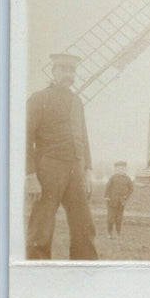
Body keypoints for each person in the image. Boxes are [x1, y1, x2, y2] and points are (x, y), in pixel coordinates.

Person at [25, 53, 98, 260]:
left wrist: (88, 169)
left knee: (84, 226)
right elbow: (24, 138)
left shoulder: (77, 101)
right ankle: (38, 273)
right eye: (63, 70)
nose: (69, 75)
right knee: (41, 228)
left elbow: (83, 136)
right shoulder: (38, 98)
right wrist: (30, 176)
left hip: (76, 170)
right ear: (53, 71)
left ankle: (85, 273)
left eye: (72, 70)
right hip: (49, 170)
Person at [105, 161, 134, 239]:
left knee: (119, 219)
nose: (121, 170)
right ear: (115, 169)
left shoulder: (128, 179)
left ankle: (118, 233)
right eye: (119, 169)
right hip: (111, 201)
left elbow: (131, 189)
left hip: (121, 202)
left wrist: (126, 197)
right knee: (110, 218)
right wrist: (107, 196)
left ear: (125, 169)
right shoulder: (113, 178)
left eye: (123, 168)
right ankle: (109, 233)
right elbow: (107, 187)